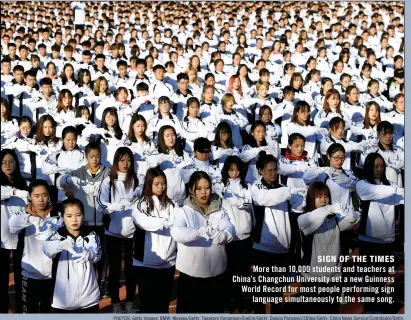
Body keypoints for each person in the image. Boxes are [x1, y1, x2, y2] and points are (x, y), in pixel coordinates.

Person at [171, 171, 235, 313]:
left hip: (216, 277)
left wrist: (222, 235)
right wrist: (198, 232)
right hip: (191, 279)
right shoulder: (183, 212)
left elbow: (230, 230)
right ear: (191, 190)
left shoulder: (219, 210)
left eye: (207, 187)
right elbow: (176, 232)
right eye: (199, 188)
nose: (203, 192)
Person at [250, 152, 305, 314]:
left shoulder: (283, 188)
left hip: (281, 249)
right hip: (262, 249)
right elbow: (266, 199)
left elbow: (299, 205)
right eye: (269, 171)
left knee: (276, 293)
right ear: (260, 171)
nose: (273, 173)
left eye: (275, 170)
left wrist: (305, 195)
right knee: (260, 292)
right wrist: (291, 191)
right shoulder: (256, 188)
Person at [56, 141, 111, 298]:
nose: (94, 160)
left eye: (97, 156)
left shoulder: (107, 172)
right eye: (91, 156)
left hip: (102, 221)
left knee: (102, 254)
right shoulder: (78, 173)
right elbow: (60, 183)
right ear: (86, 157)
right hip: (84, 223)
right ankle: (86, 286)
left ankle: (102, 284)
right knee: (85, 255)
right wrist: (68, 180)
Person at [297, 182, 360, 314]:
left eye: (326, 196)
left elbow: (354, 219)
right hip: (313, 279)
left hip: (334, 278)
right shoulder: (304, 219)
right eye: (319, 196)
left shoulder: (335, 220)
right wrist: (330, 209)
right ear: (311, 199)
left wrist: (349, 213)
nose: (324, 200)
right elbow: (313, 218)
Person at [356, 153, 404, 313]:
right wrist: (398, 190)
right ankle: (368, 309)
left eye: (382, 166)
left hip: (387, 241)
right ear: (369, 167)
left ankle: (378, 309)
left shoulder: (389, 184)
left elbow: (401, 197)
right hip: (368, 241)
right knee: (369, 279)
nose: (379, 169)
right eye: (376, 166)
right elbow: (380, 191)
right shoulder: (363, 185)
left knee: (382, 278)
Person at [97, 147, 140, 313]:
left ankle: (129, 302)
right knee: (115, 270)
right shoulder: (108, 181)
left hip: (132, 233)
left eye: (128, 160)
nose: (125, 164)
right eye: (122, 160)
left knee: (131, 270)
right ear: (115, 162)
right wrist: (115, 206)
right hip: (113, 232)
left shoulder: (136, 181)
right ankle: (115, 303)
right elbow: (100, 204)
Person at [9, 179, 62, 313]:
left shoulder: (58, 216)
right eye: (36, 196)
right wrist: (30, 219)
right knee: (28, 312)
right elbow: (12, 224)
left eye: (44, 195)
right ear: (30, 196)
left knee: (49, 312)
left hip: (53, 276)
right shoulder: (23, 215)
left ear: (49, 195)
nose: (41, 199)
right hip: (29, 276)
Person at [42, 198, 101, 313]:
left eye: (78, 215)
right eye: (69, 216)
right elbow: (46, 249)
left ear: (83, 215)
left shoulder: (91, 234)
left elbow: (97, 254)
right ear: (62, 216)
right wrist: (59, 245)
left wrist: (89, 254)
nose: (74, 219)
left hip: (89, 300)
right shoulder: (56, 236)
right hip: (62, 302)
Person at [132, 167, 177, 313]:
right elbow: (142, 221)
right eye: (156, 184)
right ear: (149, 184)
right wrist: (165, 221)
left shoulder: (172, 204)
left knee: (163, 305)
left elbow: (181, 220)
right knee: (148, 306)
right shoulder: (141, 203)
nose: (161, 187)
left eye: (163, 183)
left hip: (168, 264)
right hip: (146, 265)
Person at [220, 156, 253, 312]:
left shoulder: (247, 187)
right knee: (228, 271)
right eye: (231, 169)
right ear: (226, 170)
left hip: (245, 236)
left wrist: (237, 201)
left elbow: (249, 203)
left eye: (237, 169)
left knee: (243, 272)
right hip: (229, 237)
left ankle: (243, 303)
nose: (235, 173)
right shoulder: (220, 186)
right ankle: (228, 303)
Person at [0, 149, 29, 313]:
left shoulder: (23, 182)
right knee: (1, 281)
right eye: (3, 162)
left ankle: (21, 312)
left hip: (20, 238)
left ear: (17, 163)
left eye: (11, 161)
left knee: (21, 279)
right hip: (2, 239)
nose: (7, 165)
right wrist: (15, 192)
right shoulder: (8, 187)